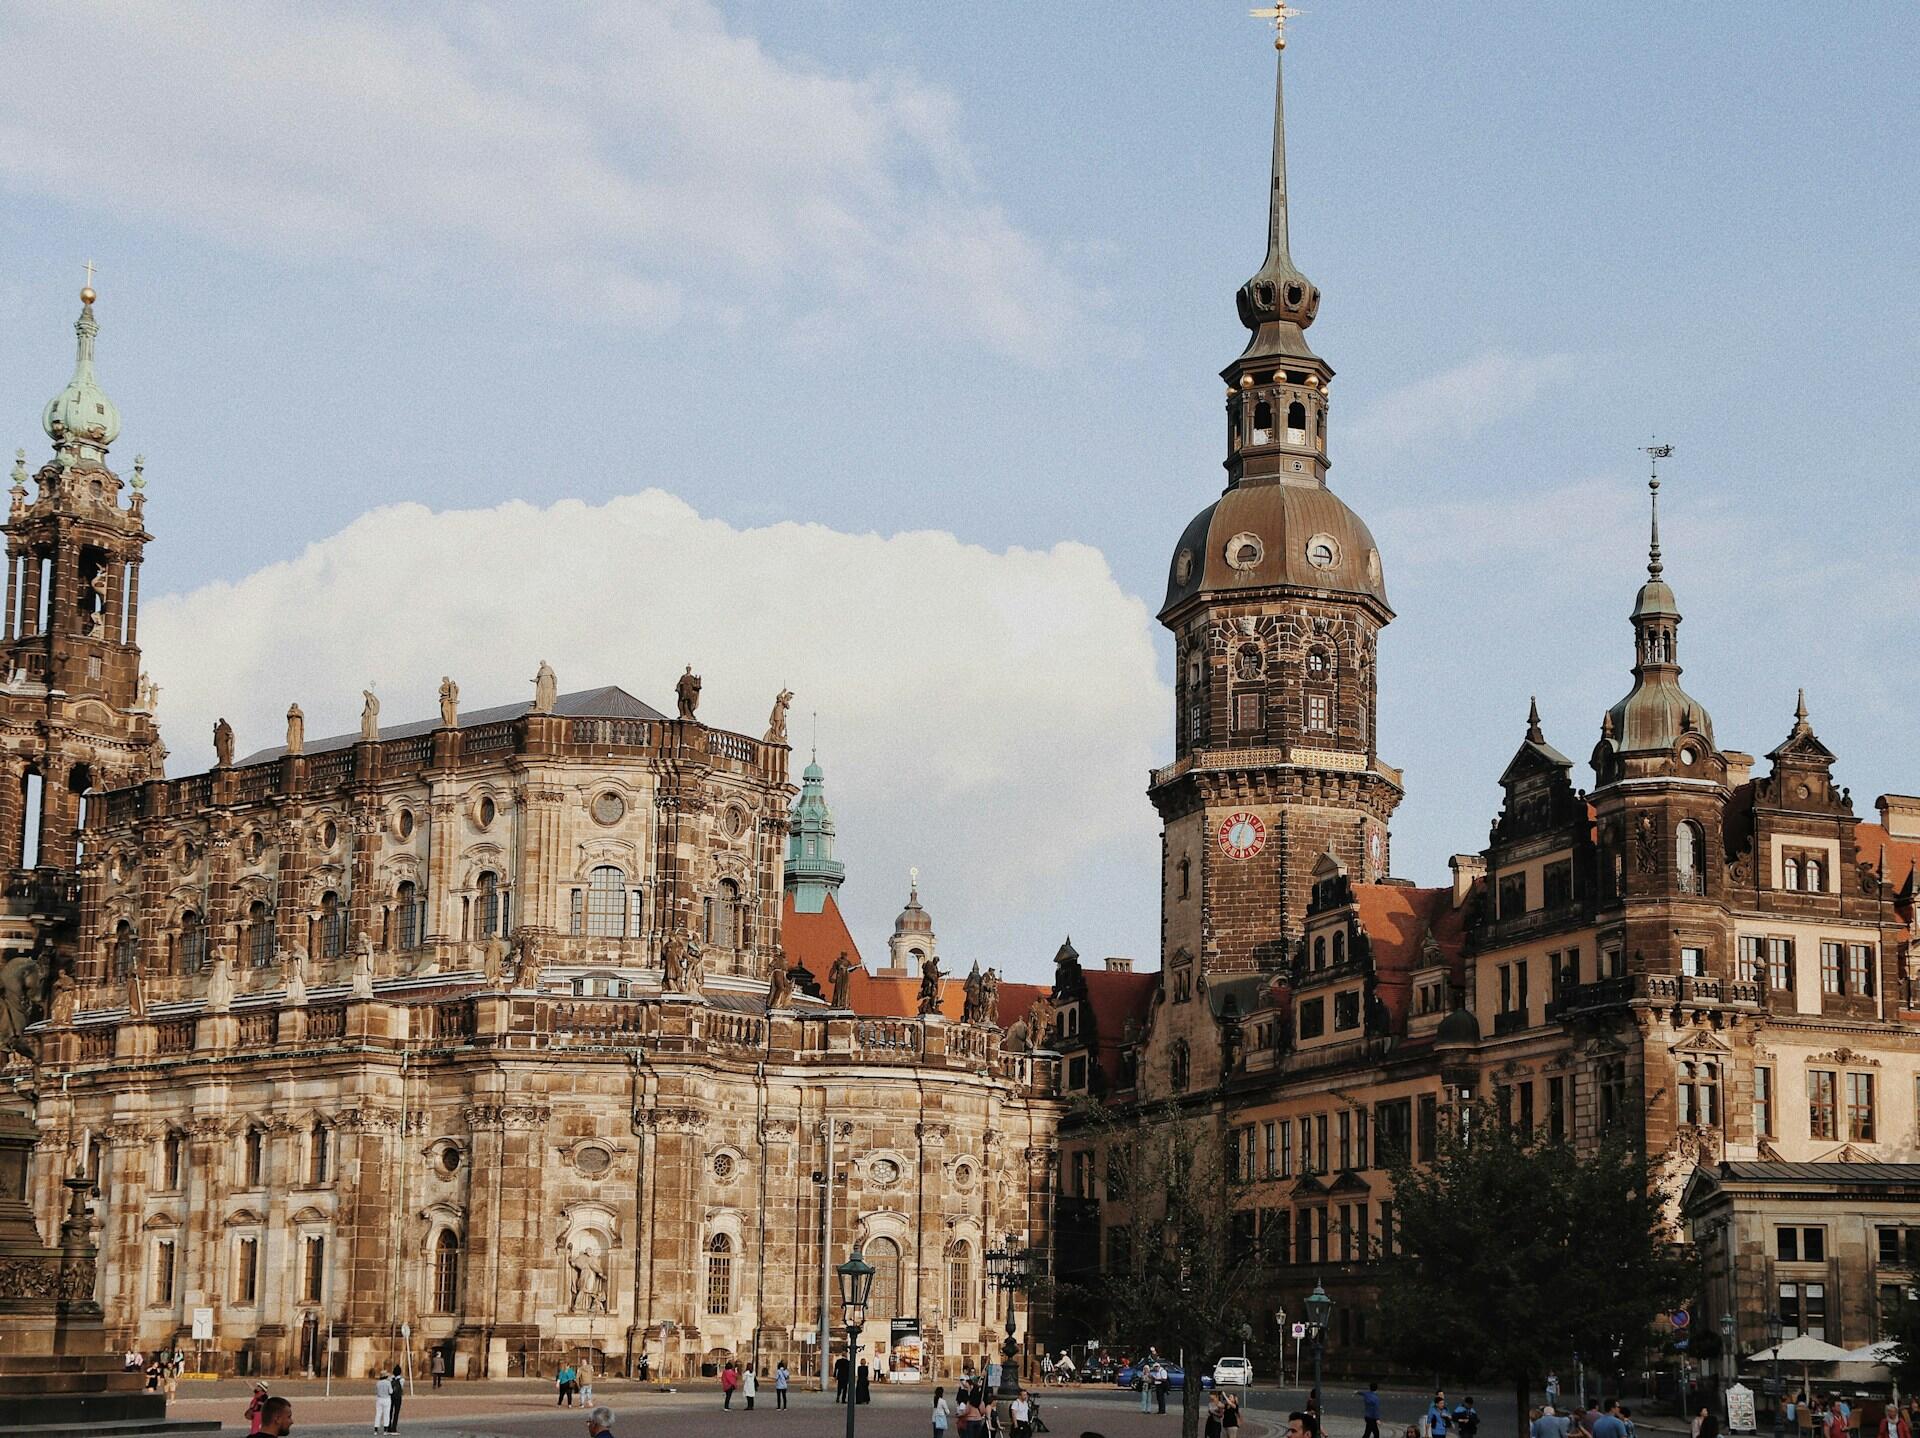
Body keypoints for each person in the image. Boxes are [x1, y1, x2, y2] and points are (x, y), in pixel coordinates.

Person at [386, 1364, 405, 1432]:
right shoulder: (402, 1379)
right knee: (396, 1413)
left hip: (391, 1397)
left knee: (389, 1412)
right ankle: (394, 1427)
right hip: (398, 1397)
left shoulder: (390, 1379)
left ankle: (388, 1426)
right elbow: (401, 1388)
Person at [374, 1369, 392, 1434]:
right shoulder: (388, 1383)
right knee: (386, 1414)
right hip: (387, 1399)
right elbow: (390, 1391)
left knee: (378, 1414)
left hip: (379, 1399)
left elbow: (376, 1391)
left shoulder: (378, 1383)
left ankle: (376, 1429)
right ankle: (385, 1430)